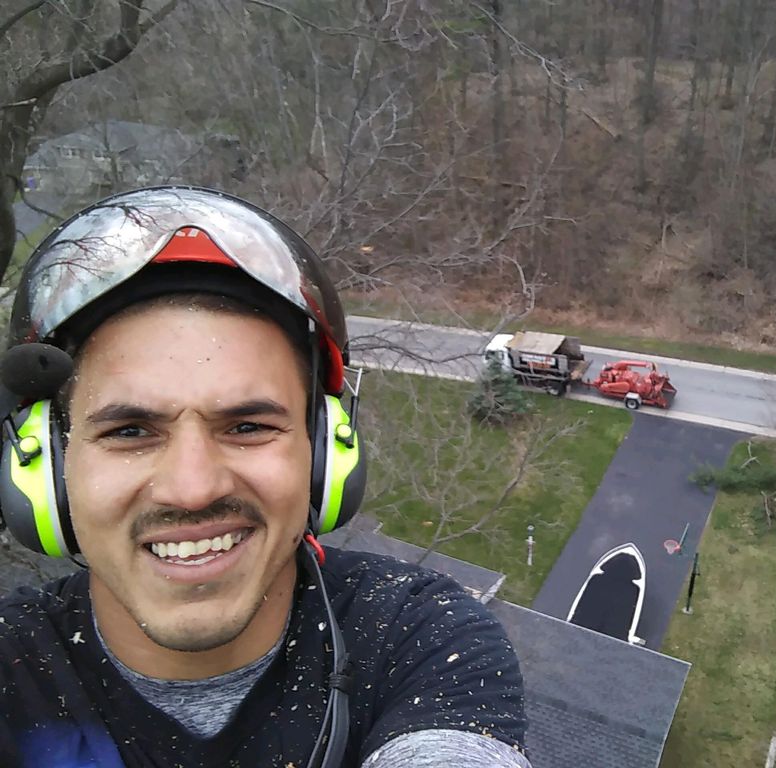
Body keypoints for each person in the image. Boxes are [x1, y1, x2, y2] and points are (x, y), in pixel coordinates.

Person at [0, 187, 532, 768]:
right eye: (129, 431)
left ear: (324, 453)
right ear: (45, 466)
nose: (192, 489)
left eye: (248, 426)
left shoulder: (420, 637)